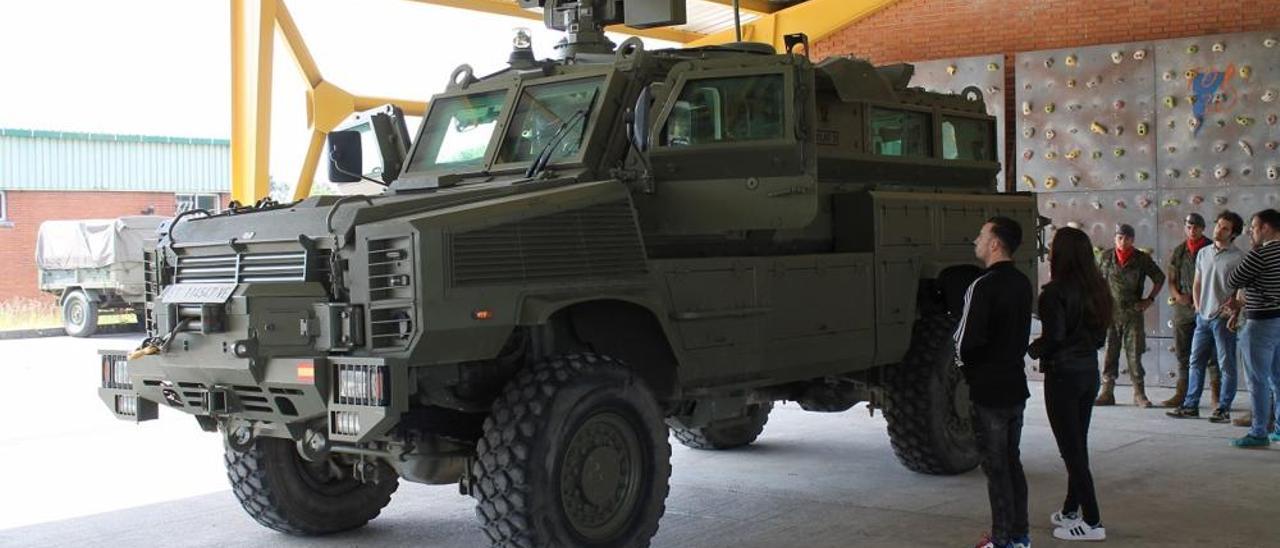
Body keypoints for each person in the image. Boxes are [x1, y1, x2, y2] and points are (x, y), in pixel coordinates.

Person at [954, 217, 1034, 548]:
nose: (976, 239)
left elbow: (962, 342)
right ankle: (1019, 535)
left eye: (982, 234)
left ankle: (1002, 540)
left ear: (996, 244)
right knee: (1011, 462)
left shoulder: (982, 286)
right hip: (1015, 385)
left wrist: (967, 371)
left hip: (989, 392)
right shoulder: (1022, 283)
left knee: (996, 467)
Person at [1028, 227, 1112, 542]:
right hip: (1089, 373)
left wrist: (1033, 348)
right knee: (1078, 445)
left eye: (1052, 247)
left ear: (1060, 255)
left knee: (1072, 451)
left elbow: (1055, 338)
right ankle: (1070, 510)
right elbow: (1100, 335)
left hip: (1062, 376)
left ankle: (1092, 522)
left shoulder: (1053, 293)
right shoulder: (1099, 288)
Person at [1167, 211, 1245, 422]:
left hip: (1223, 319)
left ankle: (1223, 408)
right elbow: (1197, 283)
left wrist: (1234, 311)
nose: (1219, 230)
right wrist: (1199, 307)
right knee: (1195, 361)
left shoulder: (1238, 257)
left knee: (1226, 364)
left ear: (1234, 234)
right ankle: (1191, 405)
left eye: (1225, 228)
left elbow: (1241, 289)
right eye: (1218, 225)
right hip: (1203, 317)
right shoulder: (1204, 253)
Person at [1224, 209, 1280, 447]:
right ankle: (1278, 429)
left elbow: (1232, 281)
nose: (1250, 232)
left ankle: (1258, 432)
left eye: (1254, 227)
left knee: (1257, 380)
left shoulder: (1260, 254)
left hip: (1261, 324)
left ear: (1266, 228)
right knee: (1278, 378)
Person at [1095, 224, 1166, 407]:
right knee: (1110, 353)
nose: (1123, 241)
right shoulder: (1105, 258)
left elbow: (1159, 278)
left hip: (1132, 313)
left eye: (1127, 238)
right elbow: (1095, 281)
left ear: (1132, 240)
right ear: (1114, 238)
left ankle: (1139, 393)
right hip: (1111, 313)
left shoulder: (1141, 259)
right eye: (1119, 237)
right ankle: (1107, 392)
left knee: (1134, 354)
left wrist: (1149, 299)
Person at [1162, 213, 1220, 408]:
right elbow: (1171, 280)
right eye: (1188, 227)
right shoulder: (1179, 251)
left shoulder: (1212, 248)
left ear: (1202, 228)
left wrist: (1202, 299)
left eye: (1196, 227)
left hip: (1206, 306)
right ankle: (1182, 391)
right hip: (1183, 306)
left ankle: (1215, 394)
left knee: (1211, 351)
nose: (1192, 230)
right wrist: (1178, 296)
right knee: (1182, 350)